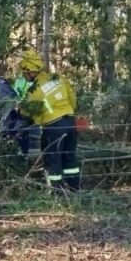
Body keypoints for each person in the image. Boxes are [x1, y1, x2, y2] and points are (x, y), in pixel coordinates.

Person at [17, 49, 80, 191]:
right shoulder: (57, 78)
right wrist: (68, 111)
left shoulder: (34, 90)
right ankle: (75, 190)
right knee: (70, 158)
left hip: (53, 126)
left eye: (23, 73)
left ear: (30, 71)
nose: (23, 75)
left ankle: (56, 193)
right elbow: (72, 96)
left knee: (53, 159)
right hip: (70, 122)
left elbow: (27, 112)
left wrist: (21, 110)